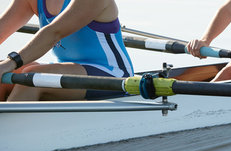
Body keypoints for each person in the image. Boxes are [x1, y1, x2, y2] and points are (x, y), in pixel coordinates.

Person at [0, 0, 134, 101]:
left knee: (29, 79)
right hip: (68, 69)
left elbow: (53, 33)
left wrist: (9, 62)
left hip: (113, 75)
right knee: (7, 75)